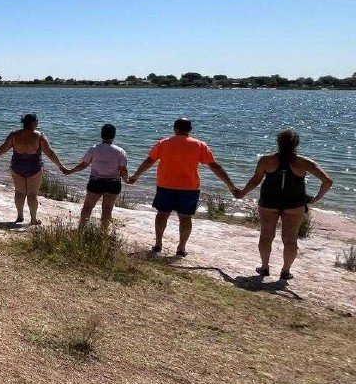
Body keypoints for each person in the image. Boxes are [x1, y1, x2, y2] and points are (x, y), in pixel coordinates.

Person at [129, 117, 237, 257]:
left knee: (162, 214)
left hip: (165, 185)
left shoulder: (164, 143)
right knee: (185, 218)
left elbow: (149, 161)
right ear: (190, 130)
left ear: (174, 128)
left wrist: (135, 176)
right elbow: (215, 166)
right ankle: (181, 247)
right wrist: (231, 186)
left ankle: (158, 244)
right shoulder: (199, 145)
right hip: (189, 188)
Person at [236, 129, 334, 280]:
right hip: (294, 205)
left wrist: (242, 193)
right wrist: (316, 198)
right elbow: (327, 181)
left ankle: (264, 267)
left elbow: (255, 181)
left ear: (278, 143)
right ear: (296, 144)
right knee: (290, 239)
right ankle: (285, 271)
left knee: (266, 236)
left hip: (268, 203)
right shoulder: (304, 162)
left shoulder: (266, 160)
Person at [0, 113, 68, 225]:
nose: (38, 123)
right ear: (33, 123)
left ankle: (20, 216)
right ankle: (33, 219)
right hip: (34, 167)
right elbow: (50, 153)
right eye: (37, 121)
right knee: (32, 194)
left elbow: (3, 148)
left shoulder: (14, 134)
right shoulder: (39, 136)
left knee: (19, 192)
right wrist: (61, 166)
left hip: (17, 166)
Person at [62, 124, 130, 230]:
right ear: (114, 135)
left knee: (88, 207)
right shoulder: (120, 151)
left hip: (96, 182)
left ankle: (81, 229)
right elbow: (123, 170)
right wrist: (127, 180)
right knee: (107, 210)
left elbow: (84, 164)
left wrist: (70, 171)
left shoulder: (94, 149)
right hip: (113, 183)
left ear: (101, 135)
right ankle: (103, 233)